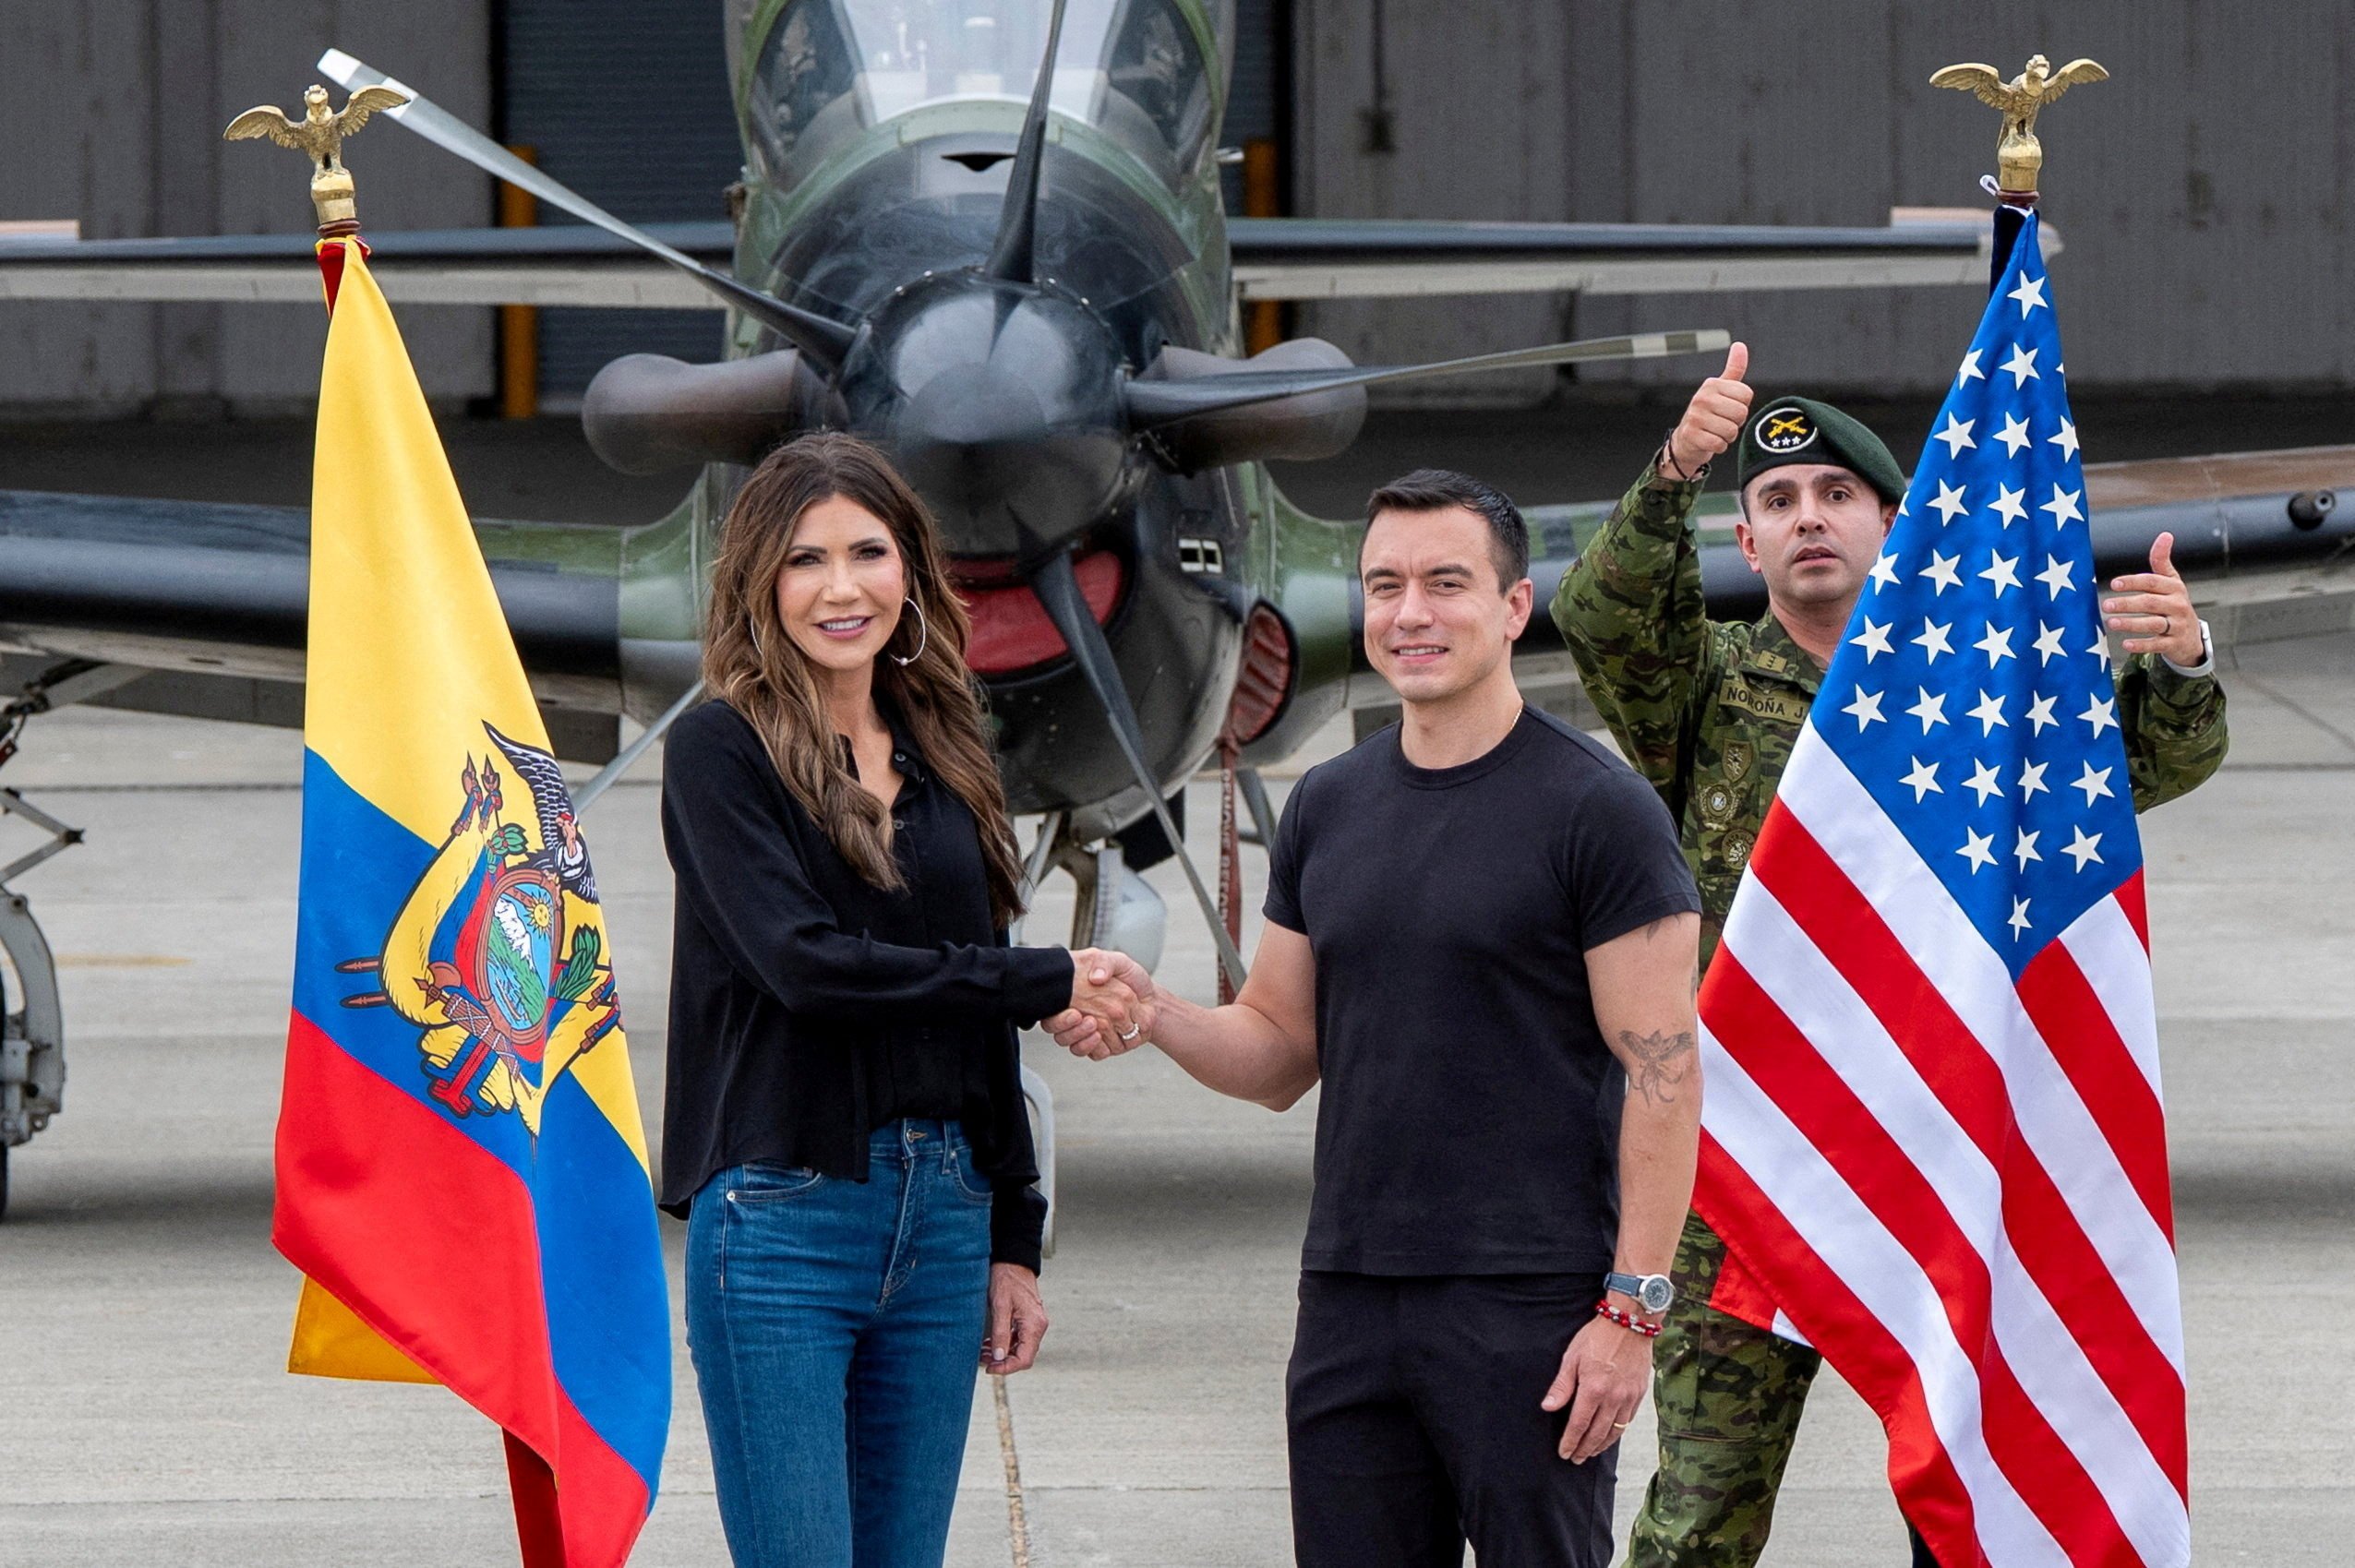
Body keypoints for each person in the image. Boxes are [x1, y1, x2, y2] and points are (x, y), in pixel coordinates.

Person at [1551, 346, 2229, 1568]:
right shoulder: (1701, 689)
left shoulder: (1978, 707)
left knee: (1969, 1496)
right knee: (1697, 1515)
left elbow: (2146, 767)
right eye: (1773, 502)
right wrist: (1671, 472)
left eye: (1833, 494)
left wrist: (2178, 658)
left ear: (1895, 521)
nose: (1805, 516)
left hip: (1941, 1162)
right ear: (1745, 548)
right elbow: (1593, 616)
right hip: (1747, 1172)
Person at [1051, 470, 1705, 1568]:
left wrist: (1630, 1313)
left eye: (1446, 582)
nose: (1409, 612)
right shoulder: (1328, 802)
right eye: (1384, 584)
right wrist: (1156, 1009)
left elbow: (1664, 1075)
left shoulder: (1599, 810)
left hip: (1532, 1304)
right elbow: (1274, 1051)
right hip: (1350, 1298)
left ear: (1512, 606)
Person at [658, 432, 1148, 1568]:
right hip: (782, 1215)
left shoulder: (945, 743)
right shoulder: (721, 751)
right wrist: (1041, 979)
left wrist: (1013, 1233)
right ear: (757, 584)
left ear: (911, 571)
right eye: (804, 560)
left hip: (945, 1219)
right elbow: (806, 964)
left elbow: (972, 992)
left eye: (868, 552)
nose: (841, 588)